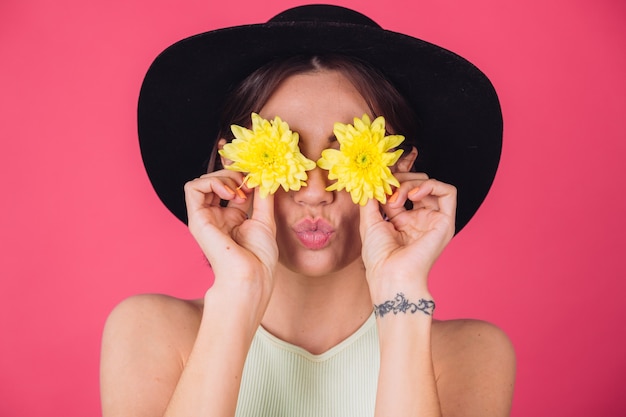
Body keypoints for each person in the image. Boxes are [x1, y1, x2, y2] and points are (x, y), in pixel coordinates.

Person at [100, 5, 515, 417]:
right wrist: (238, 291)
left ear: (399, 169)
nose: (314, 192)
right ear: (235, 163)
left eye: (348, 158)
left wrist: (401, 291)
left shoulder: (470, 352)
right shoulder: (149, 329)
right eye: (285, 155)